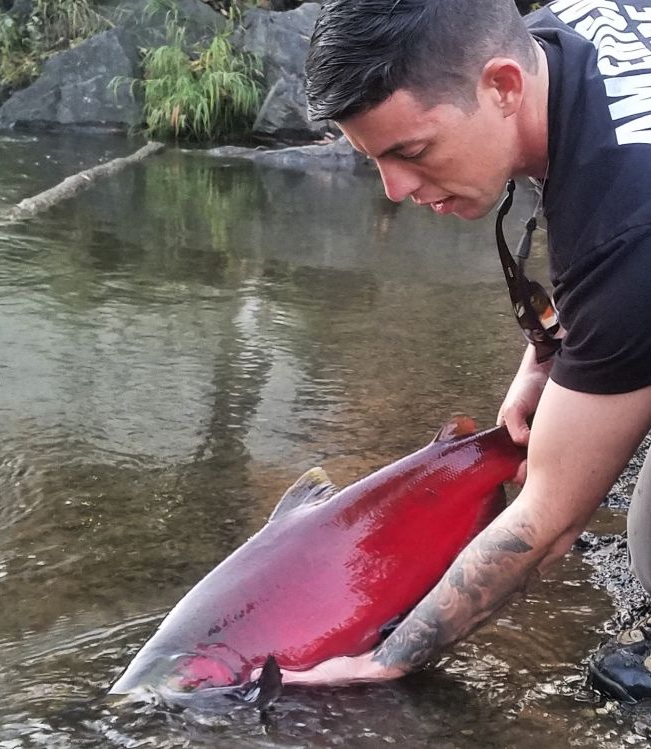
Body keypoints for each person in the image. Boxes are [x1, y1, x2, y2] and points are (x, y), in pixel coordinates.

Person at [260, 0, 651, 700]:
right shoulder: (562, 32)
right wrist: (549, 354)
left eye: (410, 152)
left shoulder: (633, 231)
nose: (394, 189)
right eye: (374, 159)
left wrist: (388, 660)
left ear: (501, 85)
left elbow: (547, 517)